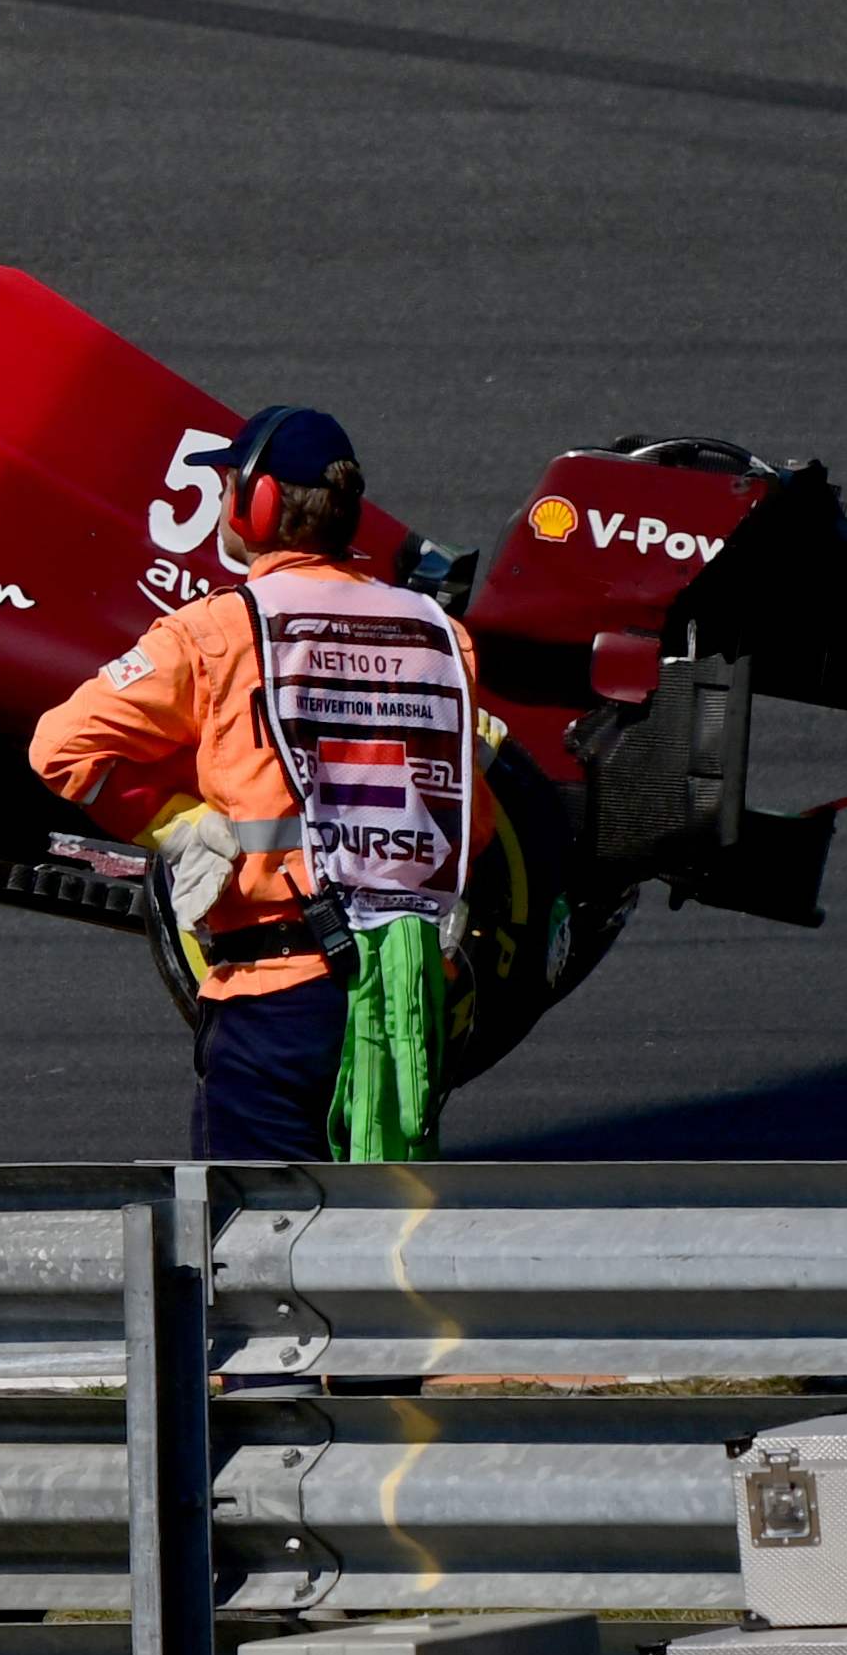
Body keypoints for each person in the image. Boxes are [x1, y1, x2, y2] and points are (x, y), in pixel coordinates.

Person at [28, 405, 496, 1160]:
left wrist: (182, 822)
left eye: (225, 490)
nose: (219, 507)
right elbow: (465, 811)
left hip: (278, 991)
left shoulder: (218, 630)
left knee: (253, 1252)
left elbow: (62, 747)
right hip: (409, 998)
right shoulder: (441, 636)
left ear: (259, 503)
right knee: (379, 1240)